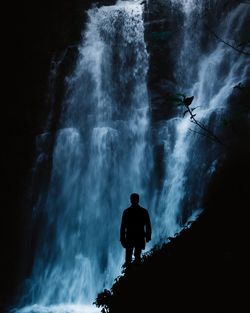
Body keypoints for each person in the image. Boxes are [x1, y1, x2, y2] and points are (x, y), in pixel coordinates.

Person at [120, 193, 152, 266]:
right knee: (136, 256)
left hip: (130, 236)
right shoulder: (143, 211)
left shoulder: (127, 211)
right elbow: (148, 225)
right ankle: (136, 273)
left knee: (129, 258)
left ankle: (130, 274)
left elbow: (123, 226)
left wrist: (122, 238)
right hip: (139, 236)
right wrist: (148, 236)